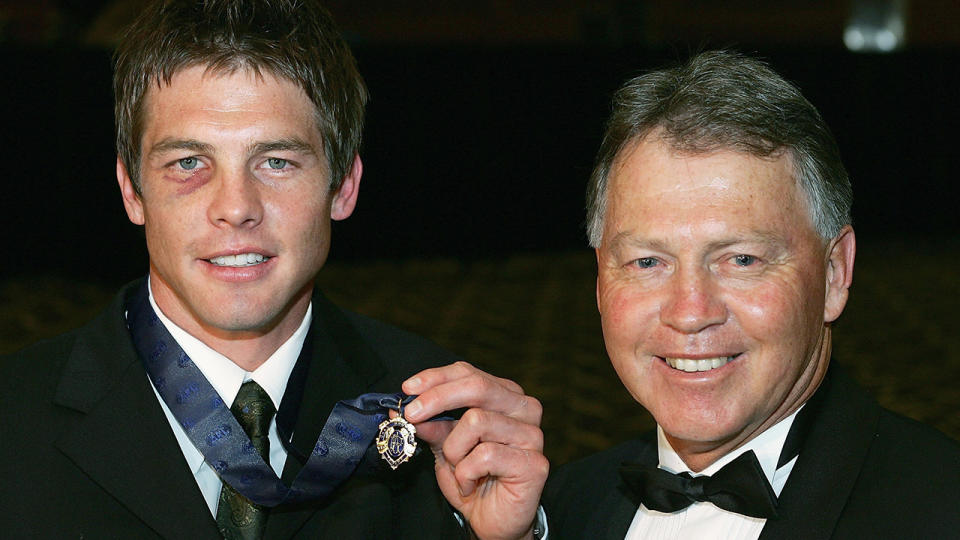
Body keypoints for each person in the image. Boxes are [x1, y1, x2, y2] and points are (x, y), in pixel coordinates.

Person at [0, 1, 547, 538]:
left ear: (343, 186)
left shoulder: (447, 424)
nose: (236, 206)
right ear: (131, 191)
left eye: (277, 162)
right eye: (188, 163)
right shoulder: (13, 419)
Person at [543, 50, 960, 539]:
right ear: (599, 281)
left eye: (741, 260)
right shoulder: (563, 505)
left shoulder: (941, 508)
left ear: (833, 274)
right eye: (648, 262)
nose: (691, 312)